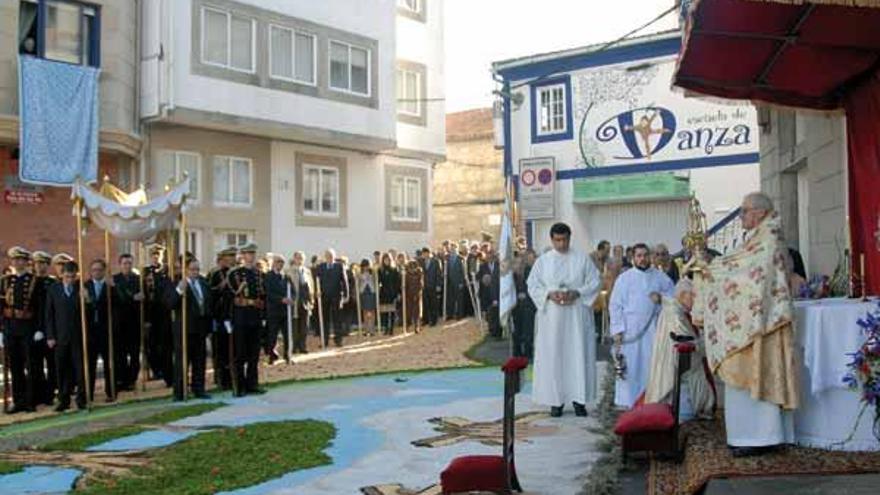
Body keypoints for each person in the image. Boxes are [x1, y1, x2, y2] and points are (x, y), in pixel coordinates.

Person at [695, 192, 798, 457]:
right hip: (758, 323)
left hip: (760, 325)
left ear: (760, 213)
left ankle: (759, 436)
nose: (741, 216)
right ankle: (759, 435)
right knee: (749, 375)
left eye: (744, 211)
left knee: (753, 373)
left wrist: (710, 270)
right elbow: (740, 266)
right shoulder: (761, 237)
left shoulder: (768, 238)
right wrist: (713, 267)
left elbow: (745, 274)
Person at [528, 223, 601, 418]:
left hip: (576, 316)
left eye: (565, 239)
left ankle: (579, 400)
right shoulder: (543, 261)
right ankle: (556, 401)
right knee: (555, 357)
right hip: (552, 318)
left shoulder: (582, 259)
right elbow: (533, 285)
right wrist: (549, 295)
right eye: (558, 240)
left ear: (570, 238)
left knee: (578, 355)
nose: (561, 244)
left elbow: (595, 282)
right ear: (552, 240)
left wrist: (578, 293)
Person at [609, 243, 675, 409]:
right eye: (638, 255)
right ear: (633, 258)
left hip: (653, 329)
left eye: (645, 255)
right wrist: (617, 330)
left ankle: (651, 400)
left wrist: (661, 298)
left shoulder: (661, 277)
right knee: (631, 366)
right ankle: (628, 401)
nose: (642, 259)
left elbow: (673, 298)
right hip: (630, 330)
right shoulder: (624, 279)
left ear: (650, 257)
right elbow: (615, 305)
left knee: (651, 366)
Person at [644, 279, 715, 420]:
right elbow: (685, 341)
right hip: (676, 366)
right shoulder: (674, 314)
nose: (695, 300)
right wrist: (707, 342)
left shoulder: (676, 309)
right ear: (682, 295)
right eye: (693, 296)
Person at [164, 255, 212, 400]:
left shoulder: (203, 283)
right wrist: (179, 291)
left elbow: (208, 305)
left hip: (200, 328)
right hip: (184, 329)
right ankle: (179, 391)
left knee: (199, 361)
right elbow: (169, 304)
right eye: (192, 269)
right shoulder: (176, 283)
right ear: (185, 270)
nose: (195, 272)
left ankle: (199, 389)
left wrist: (209, 327)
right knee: (182, 361)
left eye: (197, 269)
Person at [225, 243, 267, 396]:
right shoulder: (234, 273)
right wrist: (248, 302)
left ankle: (252, 384)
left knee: (254, 354)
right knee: (240, 354)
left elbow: (263, 297)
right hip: (241, 318)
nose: (251, 256)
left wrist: (262, 314)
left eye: (253, 253)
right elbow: (232, 296)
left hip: (255, 318)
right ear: (242, 255)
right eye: (248, 253)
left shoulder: (259, 274)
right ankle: (239, 387)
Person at [1, 247, 39, 413]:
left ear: (26, 262)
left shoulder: (34, 280)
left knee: (30, 365)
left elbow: (39, 307)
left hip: (27, 327)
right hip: (10, 327)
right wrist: (2, 328)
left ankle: (31, 401)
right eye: (15, 260)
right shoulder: (5, 280)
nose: (17, 263)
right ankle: (18, 401)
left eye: (21, 260)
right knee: (15, 366)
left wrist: (39, 329)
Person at [45, 261, 86, 411]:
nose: (69, 280)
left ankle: (81, 398)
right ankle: (63, 399)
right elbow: (49, 314)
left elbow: (89, 311)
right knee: (62, 369)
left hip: (78, 336)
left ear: (76, 275)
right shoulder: (53, 289)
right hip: (60, 336)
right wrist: (50, 335)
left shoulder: (81, 287)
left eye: (72, 277)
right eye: (67, 276)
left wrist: (86, 299)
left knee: (80, 369)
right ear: (62, 275)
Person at [84, 259, 117, 402]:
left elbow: (120, 303)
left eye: (99, 269)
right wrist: (86, 300)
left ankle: (111, 392)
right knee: (90, 363)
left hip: (106, 329)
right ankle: (88, 393)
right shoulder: (85, 286)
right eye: (94, 270)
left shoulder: (110, 286)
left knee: (109, 362)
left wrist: (114, 288)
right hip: (91, 330)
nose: (96, 272)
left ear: (104, 271)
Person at [112, 253, 143, 391]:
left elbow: (143, 300)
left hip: (135, 322)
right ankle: (122, 380)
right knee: (120, 354)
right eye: (124, 263)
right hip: (119, 323)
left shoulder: (138, 280)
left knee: (135, 354)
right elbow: (116, 300)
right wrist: (132, 298)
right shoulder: (114, 280)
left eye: (129, 263)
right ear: (120, 264)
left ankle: (132, 379)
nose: (127, 266)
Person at [143, 244, 172, 386]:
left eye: (158, 254)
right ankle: (156, 369)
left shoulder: (167, 270)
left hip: (165, 312)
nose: (156, 256)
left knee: (165, 344)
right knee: (151, 344)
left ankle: (167, 373)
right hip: (151, 312)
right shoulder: (145, 272)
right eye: (154, 254)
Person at [208, 246, 236, 389]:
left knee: (232, 349)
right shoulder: (215, 274)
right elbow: (210, 294)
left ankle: (232, 378)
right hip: (219, 316)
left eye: (233, 257)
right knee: (220, 349)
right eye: (229, 257)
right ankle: (220, 378)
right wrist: (221, 285)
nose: (232, 260)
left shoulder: (236, 273)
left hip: (232, 315)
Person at [31, 250, 56, 406]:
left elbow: (52, 309)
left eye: (43, 263)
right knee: (35, 365)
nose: (39, 266)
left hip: (49, 330)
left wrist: (48, 331)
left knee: (52, 365)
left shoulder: (52, 283)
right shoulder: (30, 282)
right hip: (32, 330)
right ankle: (38, 394)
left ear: (48, 265)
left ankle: (50, 395)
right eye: (37, 263)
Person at [314, 249, 349, 347]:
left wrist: (346, 295)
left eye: (331, 256)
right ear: (325, 257)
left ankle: (338, 340)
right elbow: (317, 280)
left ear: (334, 256)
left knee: (337, 319)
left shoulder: (339, 266)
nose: (329, 257)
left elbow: (344, 281)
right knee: (324, 319)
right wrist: (317, 292)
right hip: (324, 297)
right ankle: (324, 340)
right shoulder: (320, 267)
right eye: (327, 256)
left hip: (336, 296)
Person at [264, 253, 289, 364]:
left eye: (282, 262)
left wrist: (291, 298)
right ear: (274, 263)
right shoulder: (268, 276)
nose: (280, 264)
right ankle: (272, 355)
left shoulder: (286, 276)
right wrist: (280, 299)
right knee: (272, 335)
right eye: (278, 262)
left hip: (285, 311)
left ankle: (287, 354)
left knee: (287, 334)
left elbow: (291, 290)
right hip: (273, 310)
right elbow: (268, 293)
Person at [512, 249, 537, 359]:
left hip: (528, 305)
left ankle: (528, 352)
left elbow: (532, 286)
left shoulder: (530, 271)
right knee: (517, 330)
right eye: (515, 263)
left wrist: (525, 294)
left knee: (528, 330)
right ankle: (516, 351)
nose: (517, 264)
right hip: (516, 305)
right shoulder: (512, 275)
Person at [287, 252, 312, 354]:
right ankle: (294, 346)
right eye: (298, 258)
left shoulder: (307, 271)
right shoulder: (289, 272)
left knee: (304, 325)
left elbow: (311, 285)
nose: (300, 260)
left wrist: (312, 299)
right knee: (294, 326)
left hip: (305, 301)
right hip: (295, 301)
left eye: (302, 258)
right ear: (294, 258)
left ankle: (303, 346)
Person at [477, 251, 501, 338]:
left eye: (491, 256)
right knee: (489, 313)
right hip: (486, 293)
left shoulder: (499, 265)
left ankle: (498, 331)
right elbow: (478, 277)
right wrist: (483, 279)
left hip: (497, 292)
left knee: (496, 312)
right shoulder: (482, 266)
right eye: (488, 256)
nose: (489, 258)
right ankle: (491, 330)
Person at [377, 253, 400, 335]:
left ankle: (391, 329)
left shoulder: (394, 270)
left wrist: (397, 293)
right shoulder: (380, 270)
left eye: (388, 260)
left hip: (392, 293)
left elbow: (397, 282)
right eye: (385, 260)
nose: (386, 261)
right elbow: (378, 281)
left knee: (392, 312)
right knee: (385, 313)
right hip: (384, 293)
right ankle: (386, 328)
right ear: (383, 260)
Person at [420, 248, 443, 327]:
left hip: (433, 285)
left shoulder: (436, 262)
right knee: (425, 304)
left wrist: (438, 285)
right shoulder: (421, 262)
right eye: (423, 253)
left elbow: (439, 274)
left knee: (434, 304)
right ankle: (425, 320)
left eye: (426, 253)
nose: (425, 255)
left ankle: (434, 320)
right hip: (424, 286)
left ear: (429, 253)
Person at [357, 259, 378, 336]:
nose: (366, 267)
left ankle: (372, 329)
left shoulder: (373, 273)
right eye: (364, 266)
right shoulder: (359, 274)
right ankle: (366, 330)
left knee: (372, 311)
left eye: (367, 266)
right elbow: (358, 283)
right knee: (365, 312)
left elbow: (376, 282)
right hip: (363, 293)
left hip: (371, 292)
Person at [403, 259, 424, 333]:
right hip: (408, 295)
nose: (412, 269)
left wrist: (417, 293)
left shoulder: (419, 274)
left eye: (414, 266)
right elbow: (404, 286)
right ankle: (408, 325)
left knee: (417, 312)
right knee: (408, 312)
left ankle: (417, 326)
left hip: (417, 295)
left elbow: (421, 285)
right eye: (411, 267)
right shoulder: (406, 275)